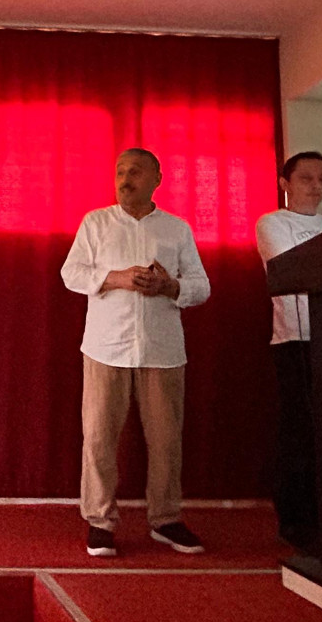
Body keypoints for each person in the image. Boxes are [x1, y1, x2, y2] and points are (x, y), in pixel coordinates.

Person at [60, 148, 211, 557]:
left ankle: (166, 519)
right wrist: (116, 278)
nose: (126, 180)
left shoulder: (176, 229)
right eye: (120, 172)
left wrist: (170, 287)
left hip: (162, 349)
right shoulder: (96, 223)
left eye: (136, 172)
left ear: (158, 179)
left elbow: (201, 285)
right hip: (105, 347)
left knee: (166, 441)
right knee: (99, 438)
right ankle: (100, 521)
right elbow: (71, 273)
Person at [254, 149, 322, 549]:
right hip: (295, 339)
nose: (316, 187)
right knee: (299, 431)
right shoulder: (273, 222)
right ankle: (296, 519)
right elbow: (292, 266)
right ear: (285, 184)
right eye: (306, 178)